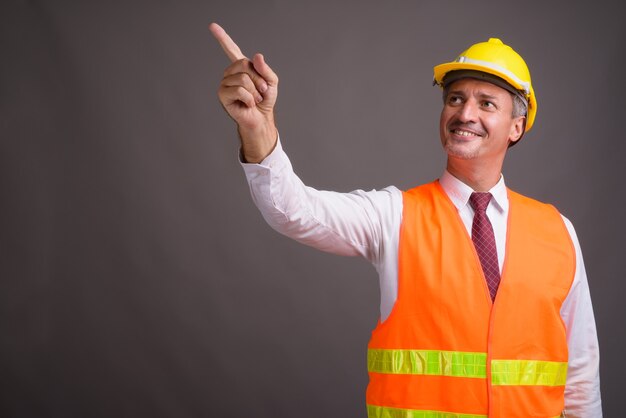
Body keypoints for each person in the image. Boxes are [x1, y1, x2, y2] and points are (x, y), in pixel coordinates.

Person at [209, 22, 602, 417]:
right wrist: (258, 129)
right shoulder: (395, 216)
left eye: (486, 103)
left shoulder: (558, 233)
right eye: (455, 99)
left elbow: (581, 380)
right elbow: (293, 209)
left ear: (516, 126)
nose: (465, 113)